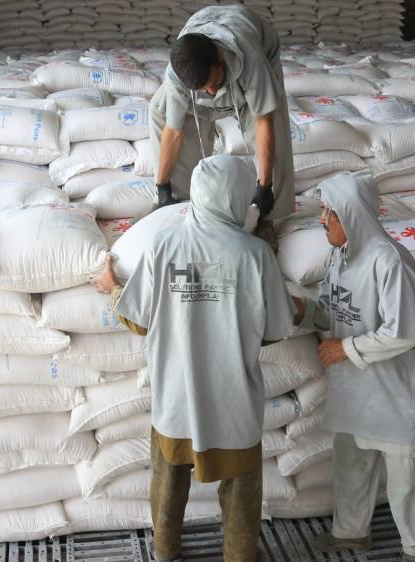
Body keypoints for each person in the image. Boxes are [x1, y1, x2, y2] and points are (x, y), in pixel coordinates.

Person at [94, 155, 305, 562]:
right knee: (241, 490)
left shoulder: (163, 245)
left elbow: (138, 321)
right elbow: (277, 328)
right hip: (234, 404)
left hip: (175, 402)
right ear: (236, 196)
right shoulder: (255, 255)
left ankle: (165, 550)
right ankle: (239, 555)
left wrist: (112, 288)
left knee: (167, 482)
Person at [298, 171, 415, 562]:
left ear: (352, 213)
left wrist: (345, 349)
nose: (322, 220)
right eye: (323, 211)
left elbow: (404, 332)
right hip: (356, 390)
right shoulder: (340, 256)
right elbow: (331, 311)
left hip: (397, 395)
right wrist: (301, 311)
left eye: (329, 212)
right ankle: (351, 533)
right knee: (351, 467)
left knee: (407, 485)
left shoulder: (389, 261)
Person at [149, 4, 295, 232]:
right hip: (207, 43)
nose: (212, 93)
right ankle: (180, 203)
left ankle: (265, 216)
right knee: (159, 110)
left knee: (272, 120)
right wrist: (163, 187)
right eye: (204, 89)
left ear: (219, 56)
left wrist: (264, 187)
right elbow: (173, 129)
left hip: (252, 50)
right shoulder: (177, 72)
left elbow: (263, 121)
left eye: (215, 83)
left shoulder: (251, 57)